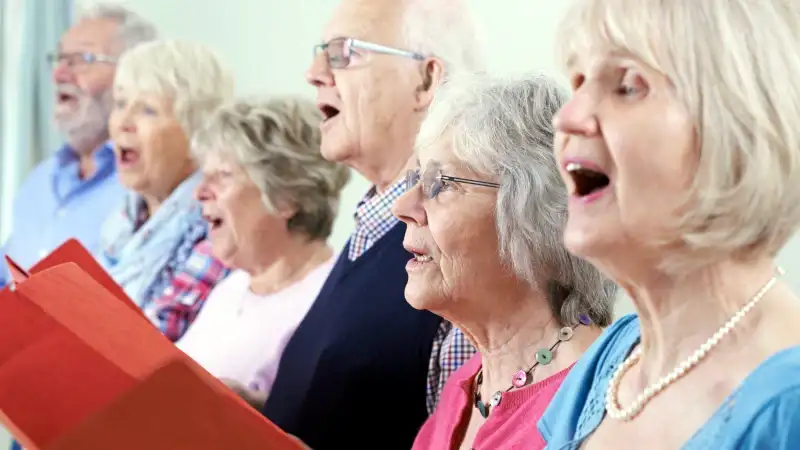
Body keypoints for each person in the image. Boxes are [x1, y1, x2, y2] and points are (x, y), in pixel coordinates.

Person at [539, 0, 800, 448]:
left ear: (734, 126)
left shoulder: (787, 409)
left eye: (626, 87)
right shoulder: (610, 358)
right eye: (578, 81)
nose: (566, 117)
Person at [261, 0, 486, 448]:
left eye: (344, 53)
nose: (314, 72)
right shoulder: (371, 225)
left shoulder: (457, 249)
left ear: (425, 80)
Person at [397, 73, 617, 450]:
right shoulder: (464, 389)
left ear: (531, 214)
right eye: (414, 180)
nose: (403, 208)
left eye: (439, 184)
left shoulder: (598, 404)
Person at [176, 97, 350, 409]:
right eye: (205, 175)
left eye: (223, 175)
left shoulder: (329, 303)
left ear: (286, 196)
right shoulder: (231, 289)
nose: (200, 192)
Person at [0, 4, 156, 286]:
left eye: (82, 59)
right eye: (59, 59)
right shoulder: (39, 180)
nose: (59, 74)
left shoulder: (149, 185)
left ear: (134, 77)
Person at [100, 39, 233, 340]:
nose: (123, 122)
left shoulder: (214, 224)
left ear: (197, 131)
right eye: (120, 104)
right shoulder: (124, 216)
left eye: (147, 109)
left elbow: (153, 342)